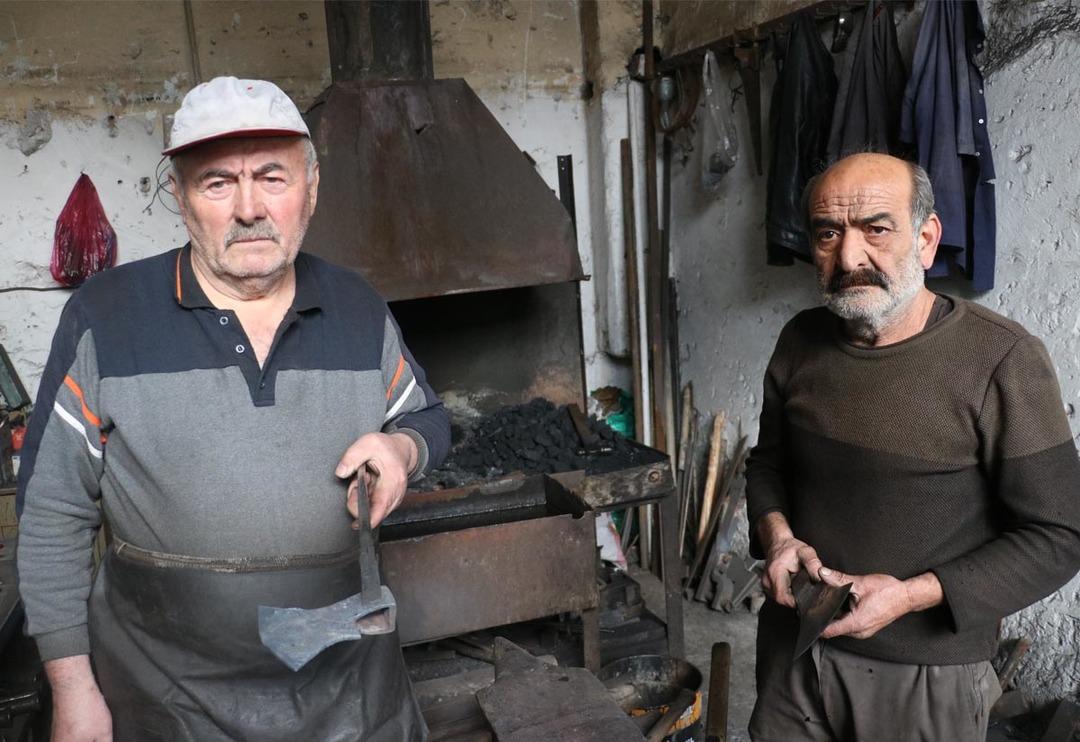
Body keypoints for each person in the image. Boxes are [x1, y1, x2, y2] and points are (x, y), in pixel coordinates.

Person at [16, 76, 450, 741]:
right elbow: (52, 514)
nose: (250, 208)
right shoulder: (106, 317)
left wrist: (402, 450)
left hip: (344, 681)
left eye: (272, 177)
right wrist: (73, 690)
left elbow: (426, 420)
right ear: (182, 200)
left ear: (310, 189)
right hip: (165, 688)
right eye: (218, 183)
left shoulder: (358, 307)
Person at [745, 152, 1080, 741]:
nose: (849, 257)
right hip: (792, 651)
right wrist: (778, 540)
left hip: (925, 678)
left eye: (876, 228)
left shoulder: (1002, 359)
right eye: (828, 234)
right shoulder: (800, 339)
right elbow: (767, 464)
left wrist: (911, 596)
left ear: (926, 240)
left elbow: (1061, 536)